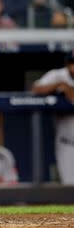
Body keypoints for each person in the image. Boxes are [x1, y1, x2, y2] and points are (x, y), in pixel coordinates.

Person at [32, 50, 74, 185]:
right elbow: (36, 89)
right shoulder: (58, 75)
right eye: (72, 63)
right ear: (68, 64)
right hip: (67, 143)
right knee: (70, 186)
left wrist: (69, 89)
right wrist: (58, 85)